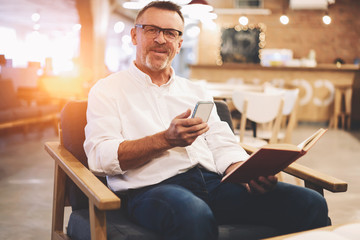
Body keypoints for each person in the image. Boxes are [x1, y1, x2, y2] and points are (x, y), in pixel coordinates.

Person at [84, 1, 329, 239]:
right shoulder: (107, 90)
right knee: (193, 214)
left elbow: (221, 140)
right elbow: (100, 157)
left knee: (309, 202)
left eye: (170, 33)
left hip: (215, 183)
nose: (160, 39)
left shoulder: (195, 91)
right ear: (135, 36)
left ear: (179, 44)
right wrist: (165, 140)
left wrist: (242, 170)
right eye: (151, 30)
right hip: (152, 188)